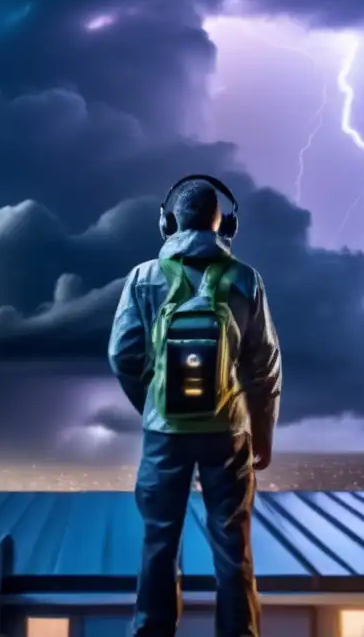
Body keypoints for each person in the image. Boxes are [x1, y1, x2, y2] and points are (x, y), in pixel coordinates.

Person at [108, 174, 283, 637]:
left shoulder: (143, 278)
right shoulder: (246, 278)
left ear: (168, 223)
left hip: (165, 434)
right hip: (229, 433)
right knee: (233, 548)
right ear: (225, 225)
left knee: (159, 543)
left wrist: (154, 404)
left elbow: (121, 355)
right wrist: (262, 435)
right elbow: (263, 367)